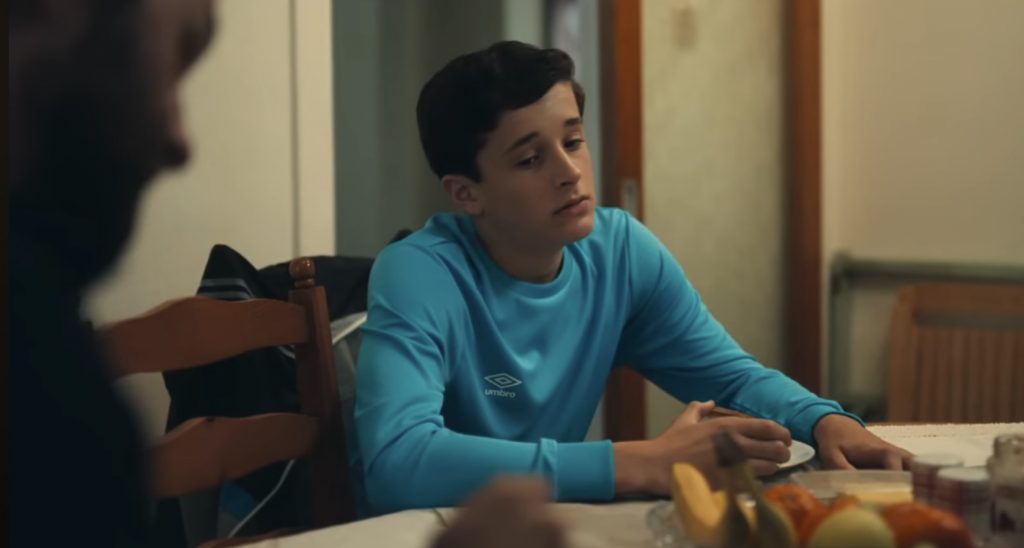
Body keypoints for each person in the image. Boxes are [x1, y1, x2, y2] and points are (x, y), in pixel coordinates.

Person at [10, 3, 566, 547]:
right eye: (149, 72)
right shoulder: (37, 375)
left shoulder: (46, 345)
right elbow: (402, 460)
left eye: (573, 139)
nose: (179, 143)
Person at [353, 40, 913, 515]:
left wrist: (825, 421)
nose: (570, 172)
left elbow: (731, 379)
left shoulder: (619, 252)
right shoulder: (419, 272)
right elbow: (397, 464)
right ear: (466, 193)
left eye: (573, 141)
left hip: (545, 529)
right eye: (530, 160)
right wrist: (640, 462)